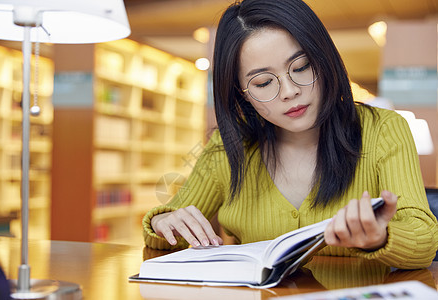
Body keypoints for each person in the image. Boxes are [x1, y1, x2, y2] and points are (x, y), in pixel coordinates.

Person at [142, 0, 438, 268]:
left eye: (301, 66)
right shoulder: (228, 146)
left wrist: (379, 236)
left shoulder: (384, 129)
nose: (290, 91)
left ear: (323, 59)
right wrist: (163, 221)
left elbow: (424, 241)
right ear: (241, 94)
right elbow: (168, 232)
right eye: (262, 83)